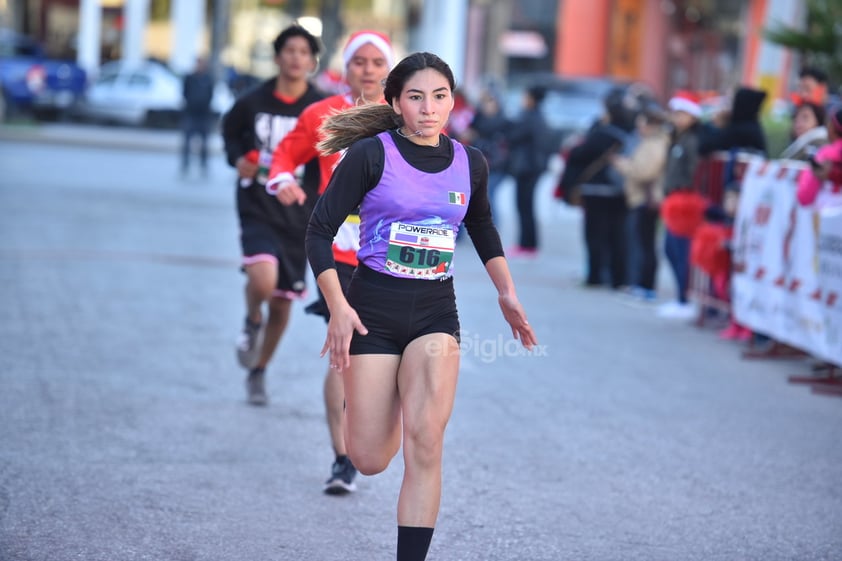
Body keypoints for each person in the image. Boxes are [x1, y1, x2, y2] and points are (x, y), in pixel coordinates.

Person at [305, 51, 537, 561]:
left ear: (453, 102)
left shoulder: (469, 161)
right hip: (371, 309)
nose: (429, 108)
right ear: (395, 102)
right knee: (368, 457)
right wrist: (338, 305)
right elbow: (320, 230)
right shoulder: (370, 155)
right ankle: (365, 418)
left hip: (435, 313)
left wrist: (506, 292)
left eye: (440, 96)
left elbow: (481, 226)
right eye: (415, 97)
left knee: (426, 441)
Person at [266, 30, 394, 495]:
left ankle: (376, 438)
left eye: (377, 62)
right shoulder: (324, 115)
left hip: (391, 254)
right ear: (346, 66)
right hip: (338, 251)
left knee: (381, 357)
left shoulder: (405, 118)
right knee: (345, 356)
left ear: (389, 69)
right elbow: (287, 153)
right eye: (358, 61)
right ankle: (343, 458)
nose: (367, 69)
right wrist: (280, 178)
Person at [220, 24, 324, 407]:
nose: (296, 58)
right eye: (289, 50)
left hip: (301, 213)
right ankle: (252, 319)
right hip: (258, 206)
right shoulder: (252, 102)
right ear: (278, 56)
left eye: (304, 52)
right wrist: (237, 160)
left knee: (282, 302)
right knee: (262, 281)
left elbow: (334, 156)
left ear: (313, 61)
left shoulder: (321, 108)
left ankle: (259, 369)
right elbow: (229, 134)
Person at [562, 87, 635, 288]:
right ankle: (619, 278)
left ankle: (595, 276)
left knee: (595, 235)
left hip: (596, 190)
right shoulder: (631, 132)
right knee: (618, 235)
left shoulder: (602, 133)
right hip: (620, 191)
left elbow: (579, 154)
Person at [612, 102, 670, 301]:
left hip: (646, 200)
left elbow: (644, 171)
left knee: (644, 244)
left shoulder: (656, 143)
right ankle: (640, 283)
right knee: (641, 242)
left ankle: (646, 285)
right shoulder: (651, 141)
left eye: (642, 123)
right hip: (641, 199)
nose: (639, 128)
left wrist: (624, 166)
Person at [657, 90, 705, 320]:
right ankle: (680, 297)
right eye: (676, 113)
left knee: (680, 250)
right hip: (673, 199)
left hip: (684, 200)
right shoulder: (676, 138)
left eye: (683, 114)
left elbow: (694, 171)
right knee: (670, 249)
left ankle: (684, 299)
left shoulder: (692, 141)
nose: (678, 118)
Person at [505, 85, 553, 256]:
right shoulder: (539, 117)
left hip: (527, 168)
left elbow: (513, 137)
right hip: (534, 168)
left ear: (532, 99)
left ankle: (526, 245)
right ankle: (529, 244)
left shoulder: (529, 118)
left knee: (524, 205)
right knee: (527, 206)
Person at [458, 87, 509, 225]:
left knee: (489, 195)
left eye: (490, 101)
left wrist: (475, 138)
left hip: (496, 166)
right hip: (478, 164)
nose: (487, 105)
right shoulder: (477, 118)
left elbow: (497, 147)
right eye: (485, 101)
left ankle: (491, 228)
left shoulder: (503, 122)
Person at [181, 56, 216, 177]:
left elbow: (211, 94)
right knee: (187, 141)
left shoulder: (208, 78)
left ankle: (204, 164)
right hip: (191, 113)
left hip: (204, 115)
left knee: (204, 143)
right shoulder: (190, 78)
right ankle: (185, 164)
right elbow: (184, 93)